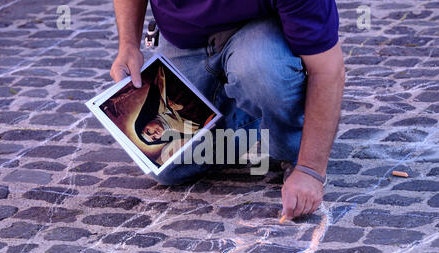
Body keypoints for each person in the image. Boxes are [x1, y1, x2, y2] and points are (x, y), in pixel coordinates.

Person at [110, 0, 345, 220]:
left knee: (261, 71)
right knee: (168, 166)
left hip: (259, 34)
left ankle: (288, 139)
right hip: (187, 41)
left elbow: (328, 70)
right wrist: (128, 44)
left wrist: (310, 170)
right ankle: (250, 118)